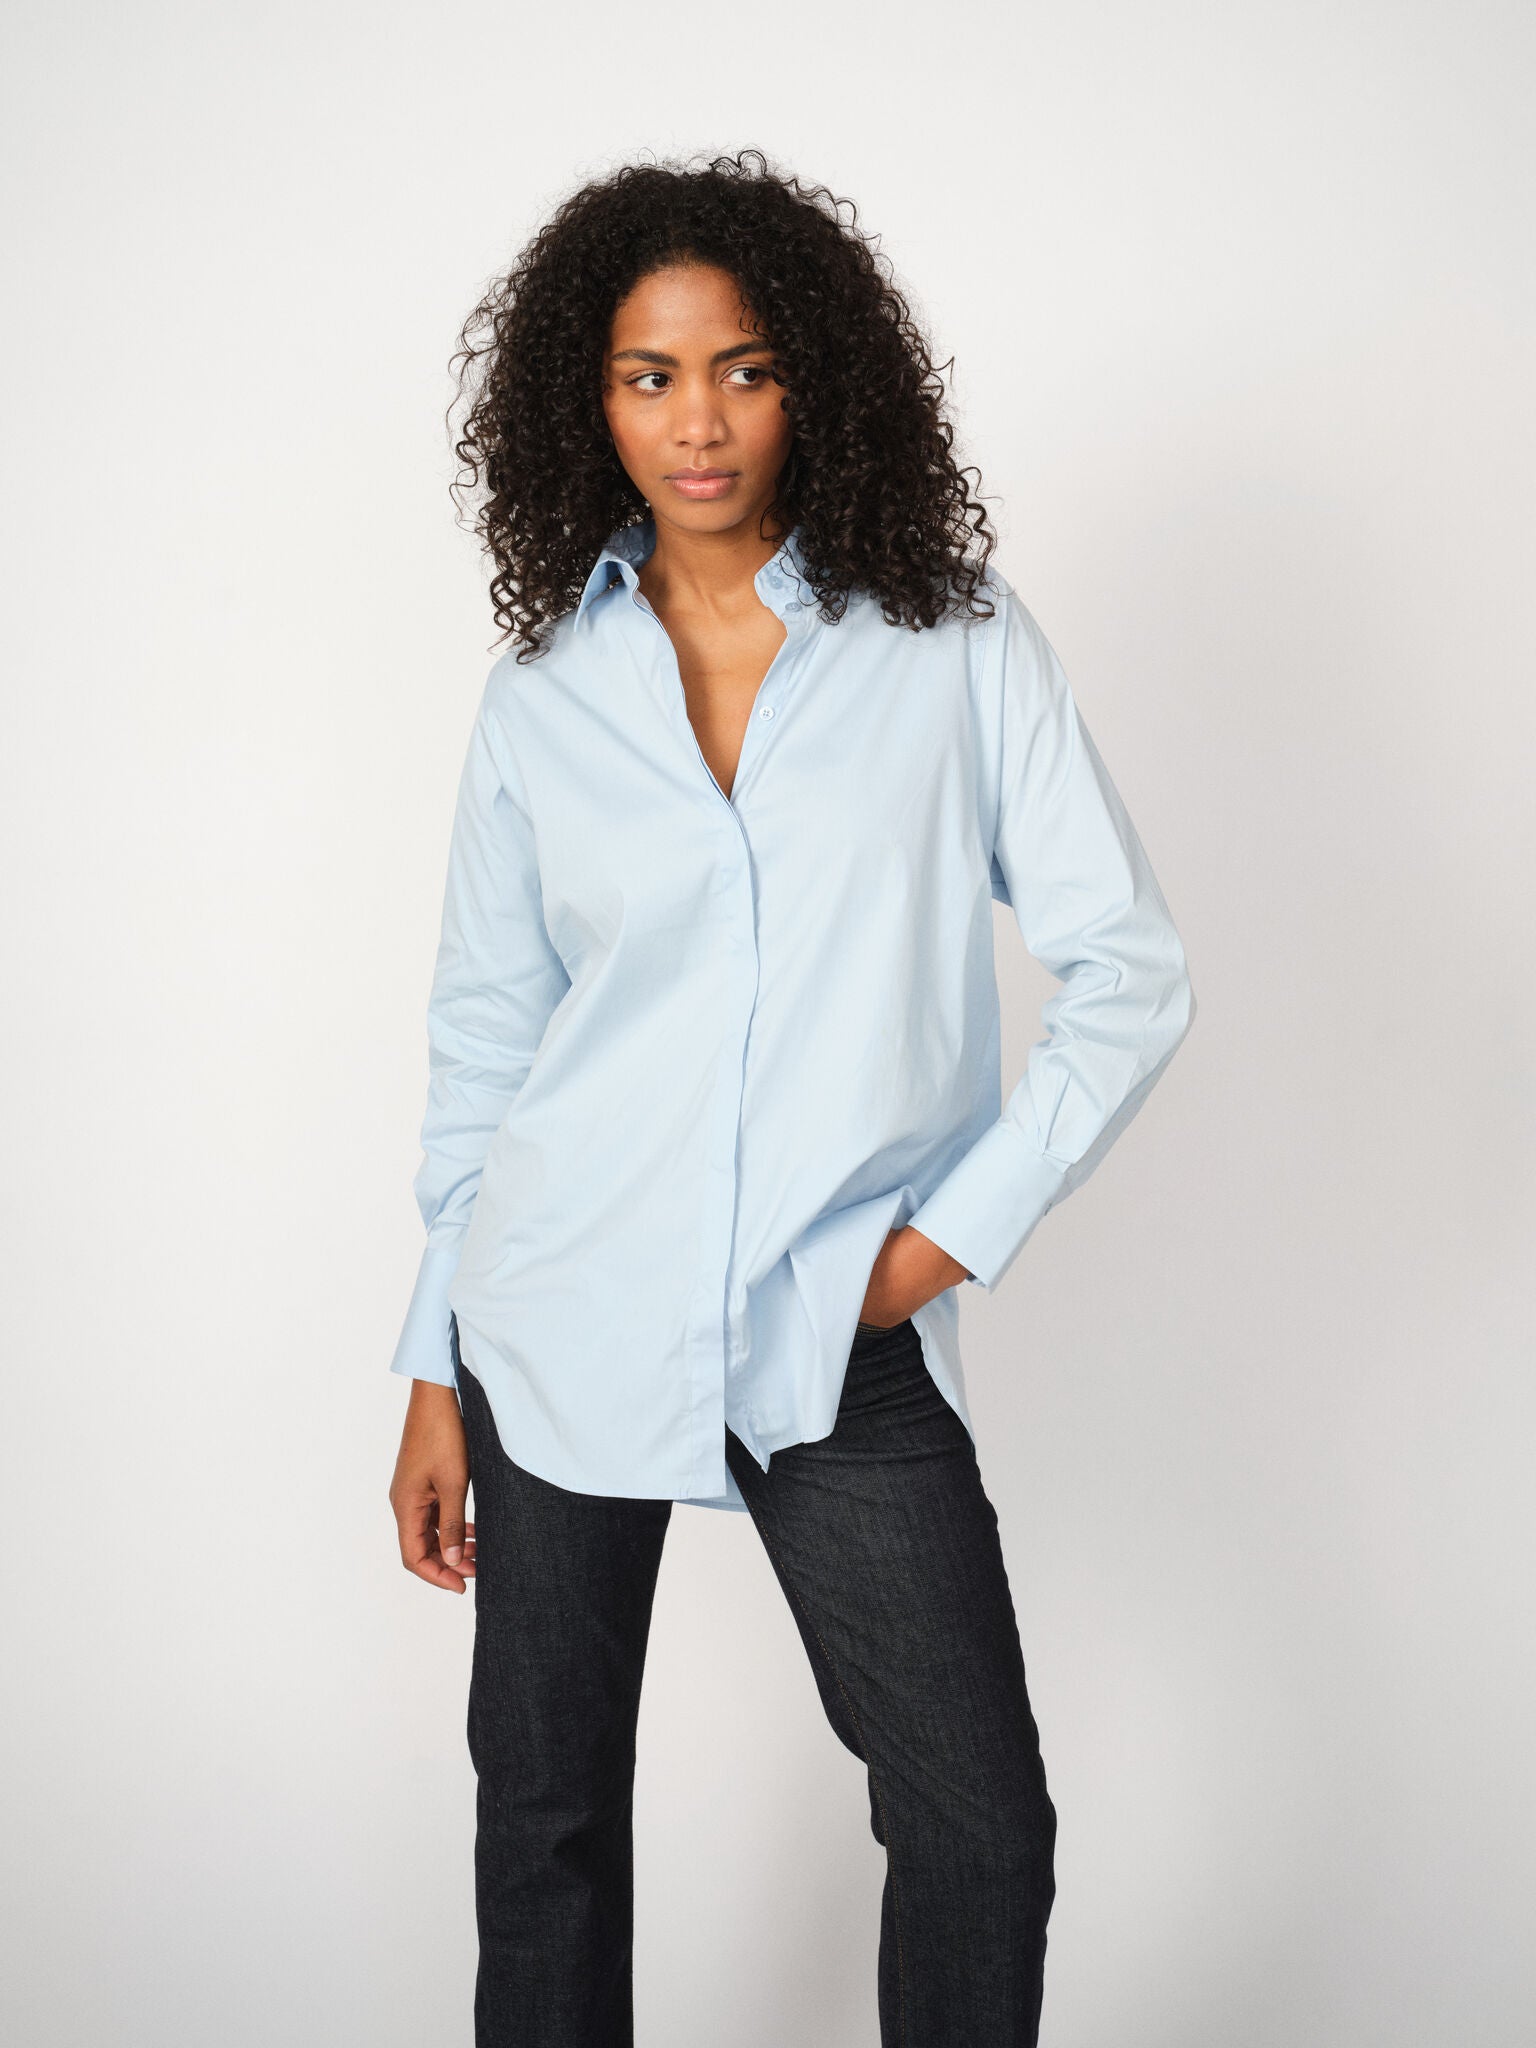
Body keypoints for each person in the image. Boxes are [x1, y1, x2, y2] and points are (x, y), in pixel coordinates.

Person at [387, 148, 1195, 2047]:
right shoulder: (541, 697)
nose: (700, 421)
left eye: (744, 369)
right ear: (588, 403)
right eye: (650, 376)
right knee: (545, 1828)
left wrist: (934, 1251)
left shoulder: (954, 640)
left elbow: (1130, 973)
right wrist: (432, 1361)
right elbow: (489, 1050)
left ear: (814, 378)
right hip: (557, 1316)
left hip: (836, 1321)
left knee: (979, 1826)